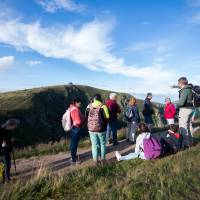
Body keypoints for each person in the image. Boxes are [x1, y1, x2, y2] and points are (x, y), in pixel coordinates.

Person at [86, 94, 109, 164]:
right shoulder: (103, 106)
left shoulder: (88, 106)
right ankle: (103, 159)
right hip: (101, 129)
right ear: (100, 99)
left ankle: (95, 160)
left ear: (94, 99)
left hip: (91, 129)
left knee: (94, 144)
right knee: (102, 144)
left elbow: (86, 116)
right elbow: (107, 117)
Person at [176, 77, 194, 148]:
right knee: (189, 126)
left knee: (183, 127)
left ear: (181, 83)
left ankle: (187, 144)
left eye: (178, 83)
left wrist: (174, 103)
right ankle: (191, 142)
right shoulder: (190, 89)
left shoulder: (185, 90)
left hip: (185, 110)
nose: (178, 85)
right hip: (191, 109)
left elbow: (181, 102)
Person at [0, 119, 19, 184]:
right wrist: (11, 141)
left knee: (3, 165)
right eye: (14, 125)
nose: (15, 127)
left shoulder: (4, 130)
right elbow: (5, 142)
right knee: (7, 165)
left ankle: (3, 179)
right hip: (4, 151)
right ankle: (7, 180)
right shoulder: (5, 132)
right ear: (11, 125)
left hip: (3, 151)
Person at [68, 98, 85, 165]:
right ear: (76, 103)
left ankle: (73, 156)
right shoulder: (75, 110)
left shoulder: (70, 108)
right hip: (76, 128)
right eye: (79, 103)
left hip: (72, 128)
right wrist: (82, 120)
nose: (80, 104)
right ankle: (74, 159)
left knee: (73, 142)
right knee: (74, 143)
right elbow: (78, 121)